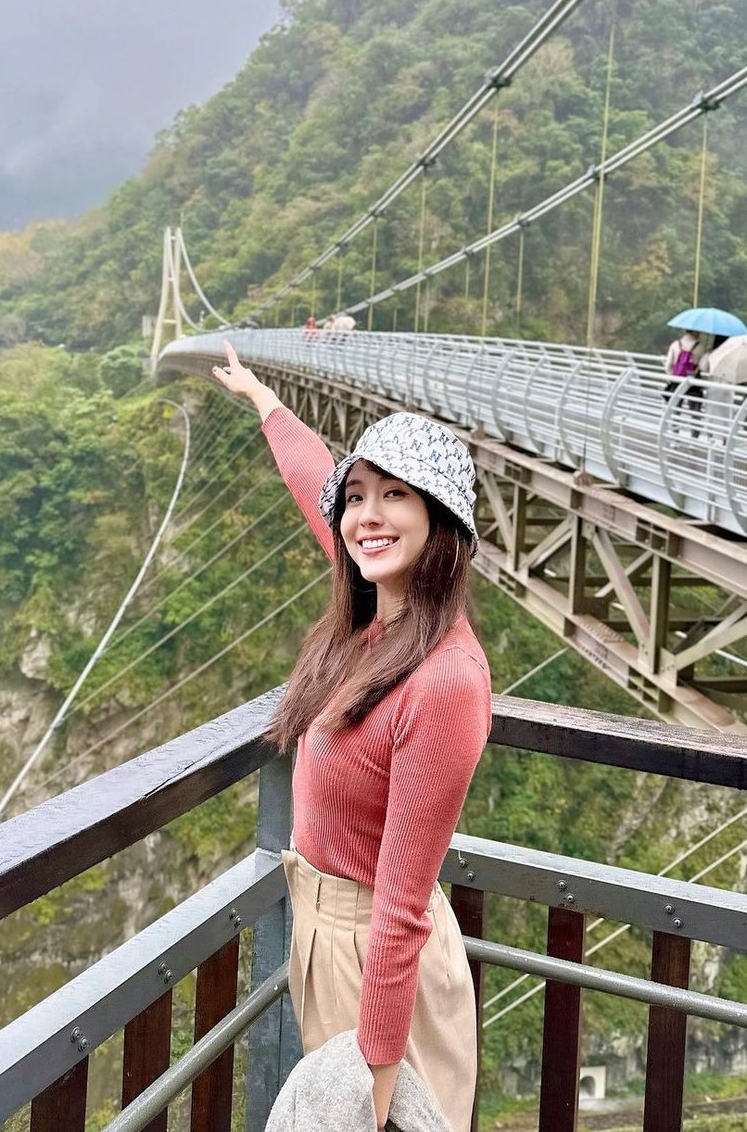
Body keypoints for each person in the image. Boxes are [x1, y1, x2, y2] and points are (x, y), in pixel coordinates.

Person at [212, 340, 491, 1132]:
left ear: (441, 519)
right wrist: (266, 401)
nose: (368, 515)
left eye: (395, 494)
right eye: (358, 495)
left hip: (377, 962)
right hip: (327, 936)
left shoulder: (445, 679)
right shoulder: (378, 617)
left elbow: (399, 906)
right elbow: (315, 481)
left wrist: (374, 1082)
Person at [664, 328, 703, 433]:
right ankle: (694, 437)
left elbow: (668, 366)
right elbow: (703, 366)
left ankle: (675, 435)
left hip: (677, 381)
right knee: (695, 411)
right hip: (694, 382)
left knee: (676, 409)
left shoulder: (675, 344)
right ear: (695, 332)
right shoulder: (699, 347)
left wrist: (673, 376)